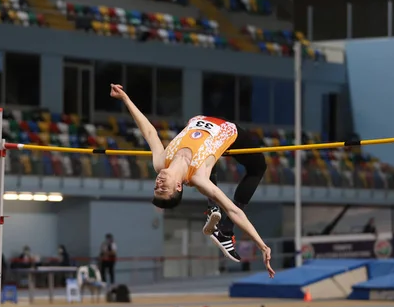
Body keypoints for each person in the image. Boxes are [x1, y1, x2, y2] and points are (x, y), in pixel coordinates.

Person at [110, 84, 274, 278]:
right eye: (163, 188)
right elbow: (234, 210)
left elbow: (149, 132)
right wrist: (262, 245)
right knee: (258, 168)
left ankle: (213, 212)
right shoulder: (198, 178)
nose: (159, 182)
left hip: (198, 121)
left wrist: (126, 99)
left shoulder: (160, 162)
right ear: (178, 186)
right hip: (229, 131)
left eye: (156, 186)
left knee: (208, 169)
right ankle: (223, 228)